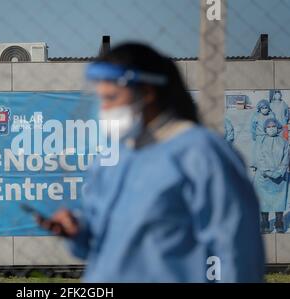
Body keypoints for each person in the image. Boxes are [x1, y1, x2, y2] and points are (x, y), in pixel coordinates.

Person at [36, 43, 264, 282]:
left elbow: (237, 249)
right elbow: (98, 245)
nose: (104, 109)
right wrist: (77, 231)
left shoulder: (202, 153)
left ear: (146, 92)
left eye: (111, 98)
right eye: (100, 99)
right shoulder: (118, 157)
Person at [253, 118, 289, 233]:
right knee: (264, 201)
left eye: (273, 126)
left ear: (277, 127)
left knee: (279, 201)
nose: (271, 128)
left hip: (280, 178)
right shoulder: (261, 142)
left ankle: (279, 222)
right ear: (265, 129)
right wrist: (267, 172)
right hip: (264, 177)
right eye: (268, 127)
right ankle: (265, 223)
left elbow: (286, 158)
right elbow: (259, 158)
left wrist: (280, 172)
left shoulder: (284, 142)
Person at [250, 100, 276, 168]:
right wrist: (254, 135)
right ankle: (256, 164)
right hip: (259, 136)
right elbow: (253, 127)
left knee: (269, 150)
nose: (264, 110)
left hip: (268, 136)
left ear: (268, 108)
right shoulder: (256, 116)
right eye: (262, 108)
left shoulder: (271, 115)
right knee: (258, 151)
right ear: (259, 109)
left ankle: (268, 164)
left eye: (266, 108)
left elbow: (275, 125)